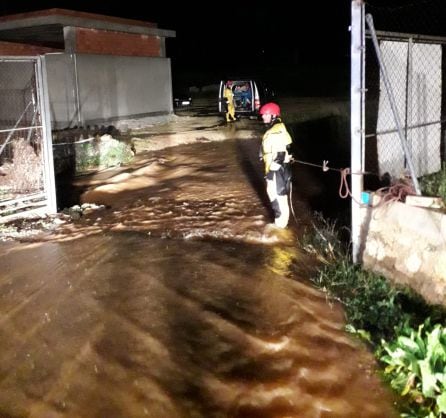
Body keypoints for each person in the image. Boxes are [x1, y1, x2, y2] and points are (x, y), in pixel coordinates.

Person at [259, 102, 293, 229]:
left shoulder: (275, 131)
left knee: (277, 198)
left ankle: (280, 230)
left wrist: (270, 173)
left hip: (277, 171)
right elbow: (287, 148)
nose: (263, 117)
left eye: (265, 114)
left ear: (273, 115)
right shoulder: (279, 128)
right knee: (280, 198)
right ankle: (281, 225)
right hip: (282, 169)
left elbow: (279, 155)